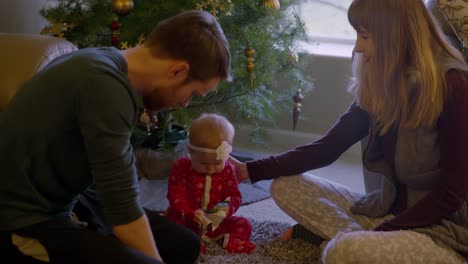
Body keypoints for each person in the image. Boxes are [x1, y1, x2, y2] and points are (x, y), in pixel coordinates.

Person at [230, 0, 468, 263]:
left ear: (394, 34)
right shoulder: (381, 78)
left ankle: (353, 243)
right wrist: (249, 171)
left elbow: (452, 192)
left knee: (343, 252)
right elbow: (328, 147)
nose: (358, 47)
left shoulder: (453, 84)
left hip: (444, 231)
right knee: (285, 186)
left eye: (365, 36)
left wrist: (382, 233)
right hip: (388, 211)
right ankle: (363, 243)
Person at [0, 10, 231, 264]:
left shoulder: (106, 63)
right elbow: (123, 211)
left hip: (69, 200)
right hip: (22, 219)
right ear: (177, 71)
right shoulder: (105, 87)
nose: (186, 104)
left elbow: (117, 187)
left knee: (183, 244)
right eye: (193, 94)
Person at [165, 113, 255, 254]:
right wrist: (189, 213)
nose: (211, 168)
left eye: (218, 163)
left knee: (244, 224)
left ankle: (234, 242)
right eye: (204, 163)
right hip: (186, 220)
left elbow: (234, 195)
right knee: (171, 227)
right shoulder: (182, 167)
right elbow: (175, 194)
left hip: (215, 223)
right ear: (190, 151)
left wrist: (226, 209)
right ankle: (190, 244)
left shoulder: (228, 169)